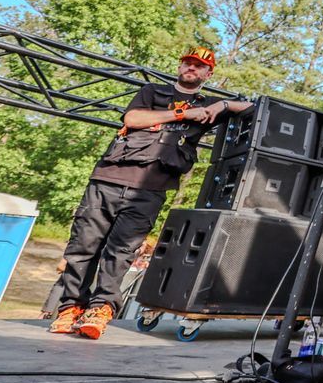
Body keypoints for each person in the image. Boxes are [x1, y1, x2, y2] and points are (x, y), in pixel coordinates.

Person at [51, 47, 250, 339]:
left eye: (199, 66)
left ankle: (100, 309)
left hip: (150, 190)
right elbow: (132, 119)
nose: (192, 68)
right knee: (83, 246)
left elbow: (253, 108)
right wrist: (183, 113)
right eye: (188, 63)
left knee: (120, 251)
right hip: (109, 179)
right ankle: (70, 307)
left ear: (209, 73)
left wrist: (222, 107)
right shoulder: (152, 91)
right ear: (180, 66)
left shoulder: (208, 104)